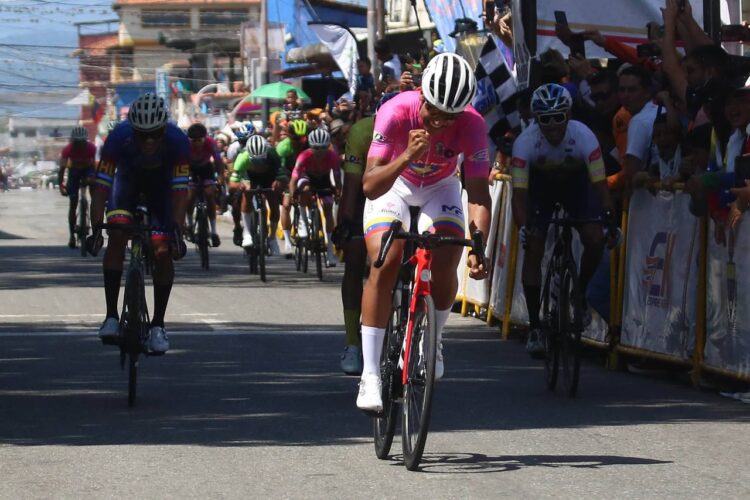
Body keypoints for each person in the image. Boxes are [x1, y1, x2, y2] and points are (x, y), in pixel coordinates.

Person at [356, 53, 491, 412]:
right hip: (394, 184)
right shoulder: (396, 111)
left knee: (449, 255)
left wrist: (479, 244)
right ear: (422, 95)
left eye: (451, 116)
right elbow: (370, 186)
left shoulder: (474, 125)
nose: (441, 122)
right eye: (435, 112)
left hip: (439, 187)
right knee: (386, 260)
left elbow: (478, 193)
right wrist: (405, 157)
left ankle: (432, 339)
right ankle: (370, 375)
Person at [510, 83, 617, 356]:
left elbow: (600, 186)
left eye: (558, 117)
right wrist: (523, 226)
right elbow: (520, 195)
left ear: (568, 115)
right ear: (536, 120)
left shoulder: (584, 137)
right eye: (545, 119)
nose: (553, 125)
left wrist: (608, 219)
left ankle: (579, 292)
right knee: (534, 244)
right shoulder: (524, 143)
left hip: (576, 188)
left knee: (594, 238)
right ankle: (535, 326)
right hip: (540, 189)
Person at [91, 93, 190, 354]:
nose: (149, 140)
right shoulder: (117, 138)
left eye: (155, 134)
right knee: (117, 236)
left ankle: (158, 325)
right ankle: (111, 316)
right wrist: (95, 227)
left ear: (163, 130)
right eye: (142, 134)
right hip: (126, 185)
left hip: (161, 190)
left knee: (161, 248)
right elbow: (101, 186)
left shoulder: (178, 141)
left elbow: (181, 192)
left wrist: (177, 230)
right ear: (132, 130)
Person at [289, 128, 341, 267]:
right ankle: (303, 223)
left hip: (323, 179)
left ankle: (330, 250)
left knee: (328, 208)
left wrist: (337, 191)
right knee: (305, 189)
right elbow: (294, 179)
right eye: (316, 149)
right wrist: (294, 194)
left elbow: (337, 178)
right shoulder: (304, 156)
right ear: (311, 147)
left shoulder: (333, 156)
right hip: (307, 178)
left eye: (323, 148)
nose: (319, 152)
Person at [229, 134, 285, 255]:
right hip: (250, 177)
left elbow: (282, 179)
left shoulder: (273, 155)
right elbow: (232, 184)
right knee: (246, 194)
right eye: (255, 160)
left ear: (266, 154)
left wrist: (278, 183)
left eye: (261, 160)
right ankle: (247, 233)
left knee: (273, 199)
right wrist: (241, 185)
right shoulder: (242, 157)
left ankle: (272, 237)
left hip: (268, 176)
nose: (258, 163)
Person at [58, 126, 96, 248]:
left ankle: (96, 233)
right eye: (77, 143)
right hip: (74, 171)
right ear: (73, 141)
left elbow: (96, 167)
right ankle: (72, 237)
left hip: (88, 170)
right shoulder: (67, 150)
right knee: (73, 202)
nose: (79, 145)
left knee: (95, 196)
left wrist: (94, 183)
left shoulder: (91, 148)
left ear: (85, 141)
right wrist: (61, 186)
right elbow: (62, 169)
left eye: (82, 143)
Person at [185, 123, 223, 247]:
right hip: (190, 169)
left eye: (199, 140)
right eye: (193, 140)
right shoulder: (185, 144)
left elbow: (218, 160)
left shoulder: (211, 143)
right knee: (190, 196)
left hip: (206, 168)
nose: (196, 143)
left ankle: (213, 232)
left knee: (210, 195)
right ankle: (190, 225)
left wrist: (221, 176)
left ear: (204, 138)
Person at [275, 119, 309, 255]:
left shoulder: (308, 144)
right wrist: (289, 188)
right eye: (296, 138)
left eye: (303, 138)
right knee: (287, 204)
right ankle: (288, 241)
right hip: (287, 174)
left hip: (303, 172)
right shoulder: (283, 147)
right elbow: (280, 170)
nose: (299, 142)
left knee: (306, 191)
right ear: (289, 136)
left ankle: (304, 221)